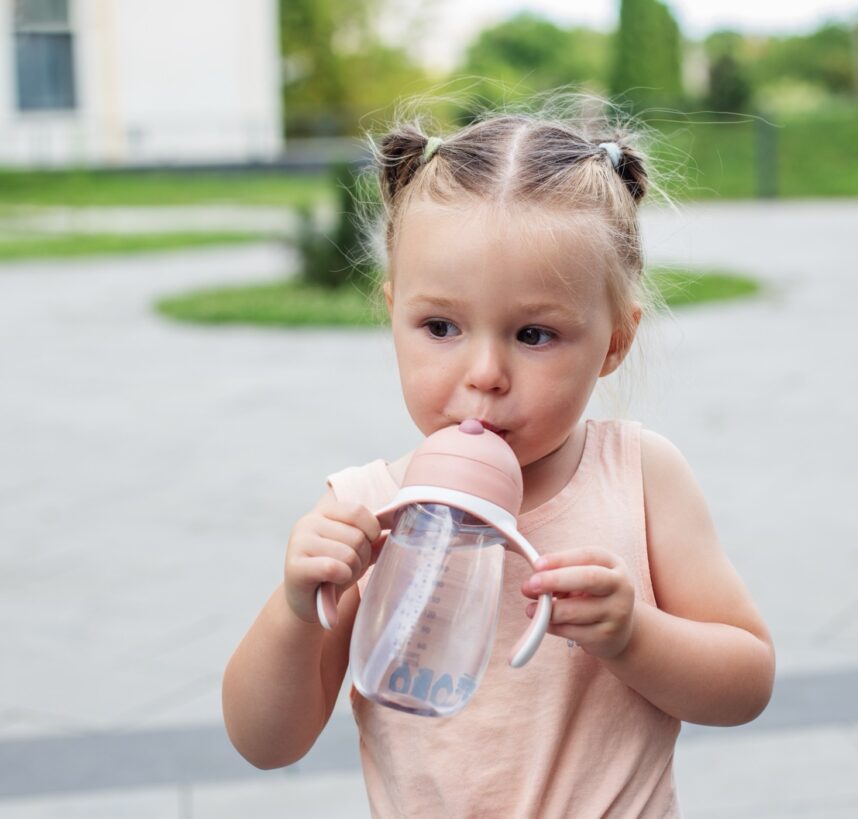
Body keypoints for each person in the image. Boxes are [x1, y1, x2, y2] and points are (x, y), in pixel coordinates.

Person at [222, 101, 775, 817]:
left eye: (535, 334)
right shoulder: (369, 511)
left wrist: (636, 633)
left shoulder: (638, 476)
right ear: (392, 315)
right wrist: (296, 610)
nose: (485, 372)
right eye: (441, 326)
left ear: (614, 341)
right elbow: (265, 741)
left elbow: (747, 682)